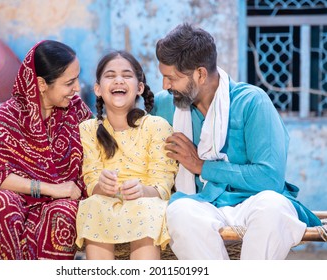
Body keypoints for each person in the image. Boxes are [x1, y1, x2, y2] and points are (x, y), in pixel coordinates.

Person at [152, 22, 321, 260]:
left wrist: (202, 166)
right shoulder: (164, 105)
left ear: (200, 74)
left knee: (273, 207)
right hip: (198, 203)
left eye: (172, 78)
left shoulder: (252, 102)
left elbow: (269, 178)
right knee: (179, 212)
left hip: (250, 204)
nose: (165, 85)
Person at [0, 40, 92, 259]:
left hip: (62, 202)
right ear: (42, 84)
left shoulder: (77, 112)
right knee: (0, 204)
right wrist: (51, 189)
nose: (77, 88)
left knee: (62, 211)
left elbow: (97, 154)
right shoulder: (9, 116)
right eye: (69, 82)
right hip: (18, 198)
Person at [75, 50, 178, 260]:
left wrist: (143, 190)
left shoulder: (157, 126)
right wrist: (101, 186)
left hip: (146, 202)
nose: (118, 80)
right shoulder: (88, 129)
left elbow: (163, 185)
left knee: (146, 206)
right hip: (104, 203)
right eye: (110, 76)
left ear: (139, 87)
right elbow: (91, 180)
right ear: (98, 89)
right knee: (93, 204)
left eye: (127, 75)